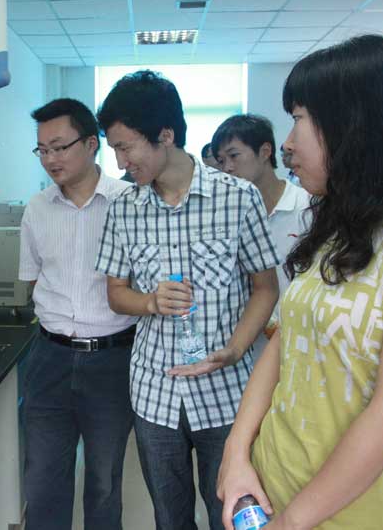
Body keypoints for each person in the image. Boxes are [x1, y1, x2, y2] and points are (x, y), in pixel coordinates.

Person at [217, 34, 383, 530]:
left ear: (356, 125)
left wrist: (292, 522)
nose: (287, 143)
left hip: (349, 513)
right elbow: (285, 343)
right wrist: (236, 453)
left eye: (299, 119)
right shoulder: (343, 224)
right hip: (271, 482)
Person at [94, 70, 280, 530]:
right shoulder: (123, 208)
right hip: (154, 393)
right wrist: (150, 303)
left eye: (126, 147)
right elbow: (116, 294)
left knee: (232, 514)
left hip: (227, 393)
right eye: (113, 149)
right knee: (169, 517)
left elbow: (265, 288)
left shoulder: (238, 198)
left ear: (165, 135)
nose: (120, 162)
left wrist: (235, 349)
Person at [19, 98, 138, 530]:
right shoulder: (37, 208)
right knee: (42, 480)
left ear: (91, 144)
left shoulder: (130, 203)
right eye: (42, 150)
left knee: (103, 482)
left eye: (59, 147)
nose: (50, 159)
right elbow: (32, 279)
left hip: (112, 359)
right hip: (49, 357)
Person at [211, 114, 311, 361]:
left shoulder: (306, 206)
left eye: (234, 156)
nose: (227, 168)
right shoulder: (227, 216)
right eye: (221, 161)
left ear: (265, 151)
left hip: (303, 341)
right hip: (249, 346)